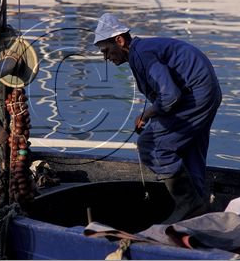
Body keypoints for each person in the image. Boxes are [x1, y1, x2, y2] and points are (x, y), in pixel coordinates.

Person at [93, 13, 222, 224]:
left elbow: (170, 95)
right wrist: (153, 114)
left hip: (195, 95)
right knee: (190, 151)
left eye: (106, 51)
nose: (106, 57)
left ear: (120, 40)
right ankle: (196, 213)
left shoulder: (142, 54)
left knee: (150, 145)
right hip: (207, 93)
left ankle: (189, 204)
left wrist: (147, 113)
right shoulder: (142, 52)